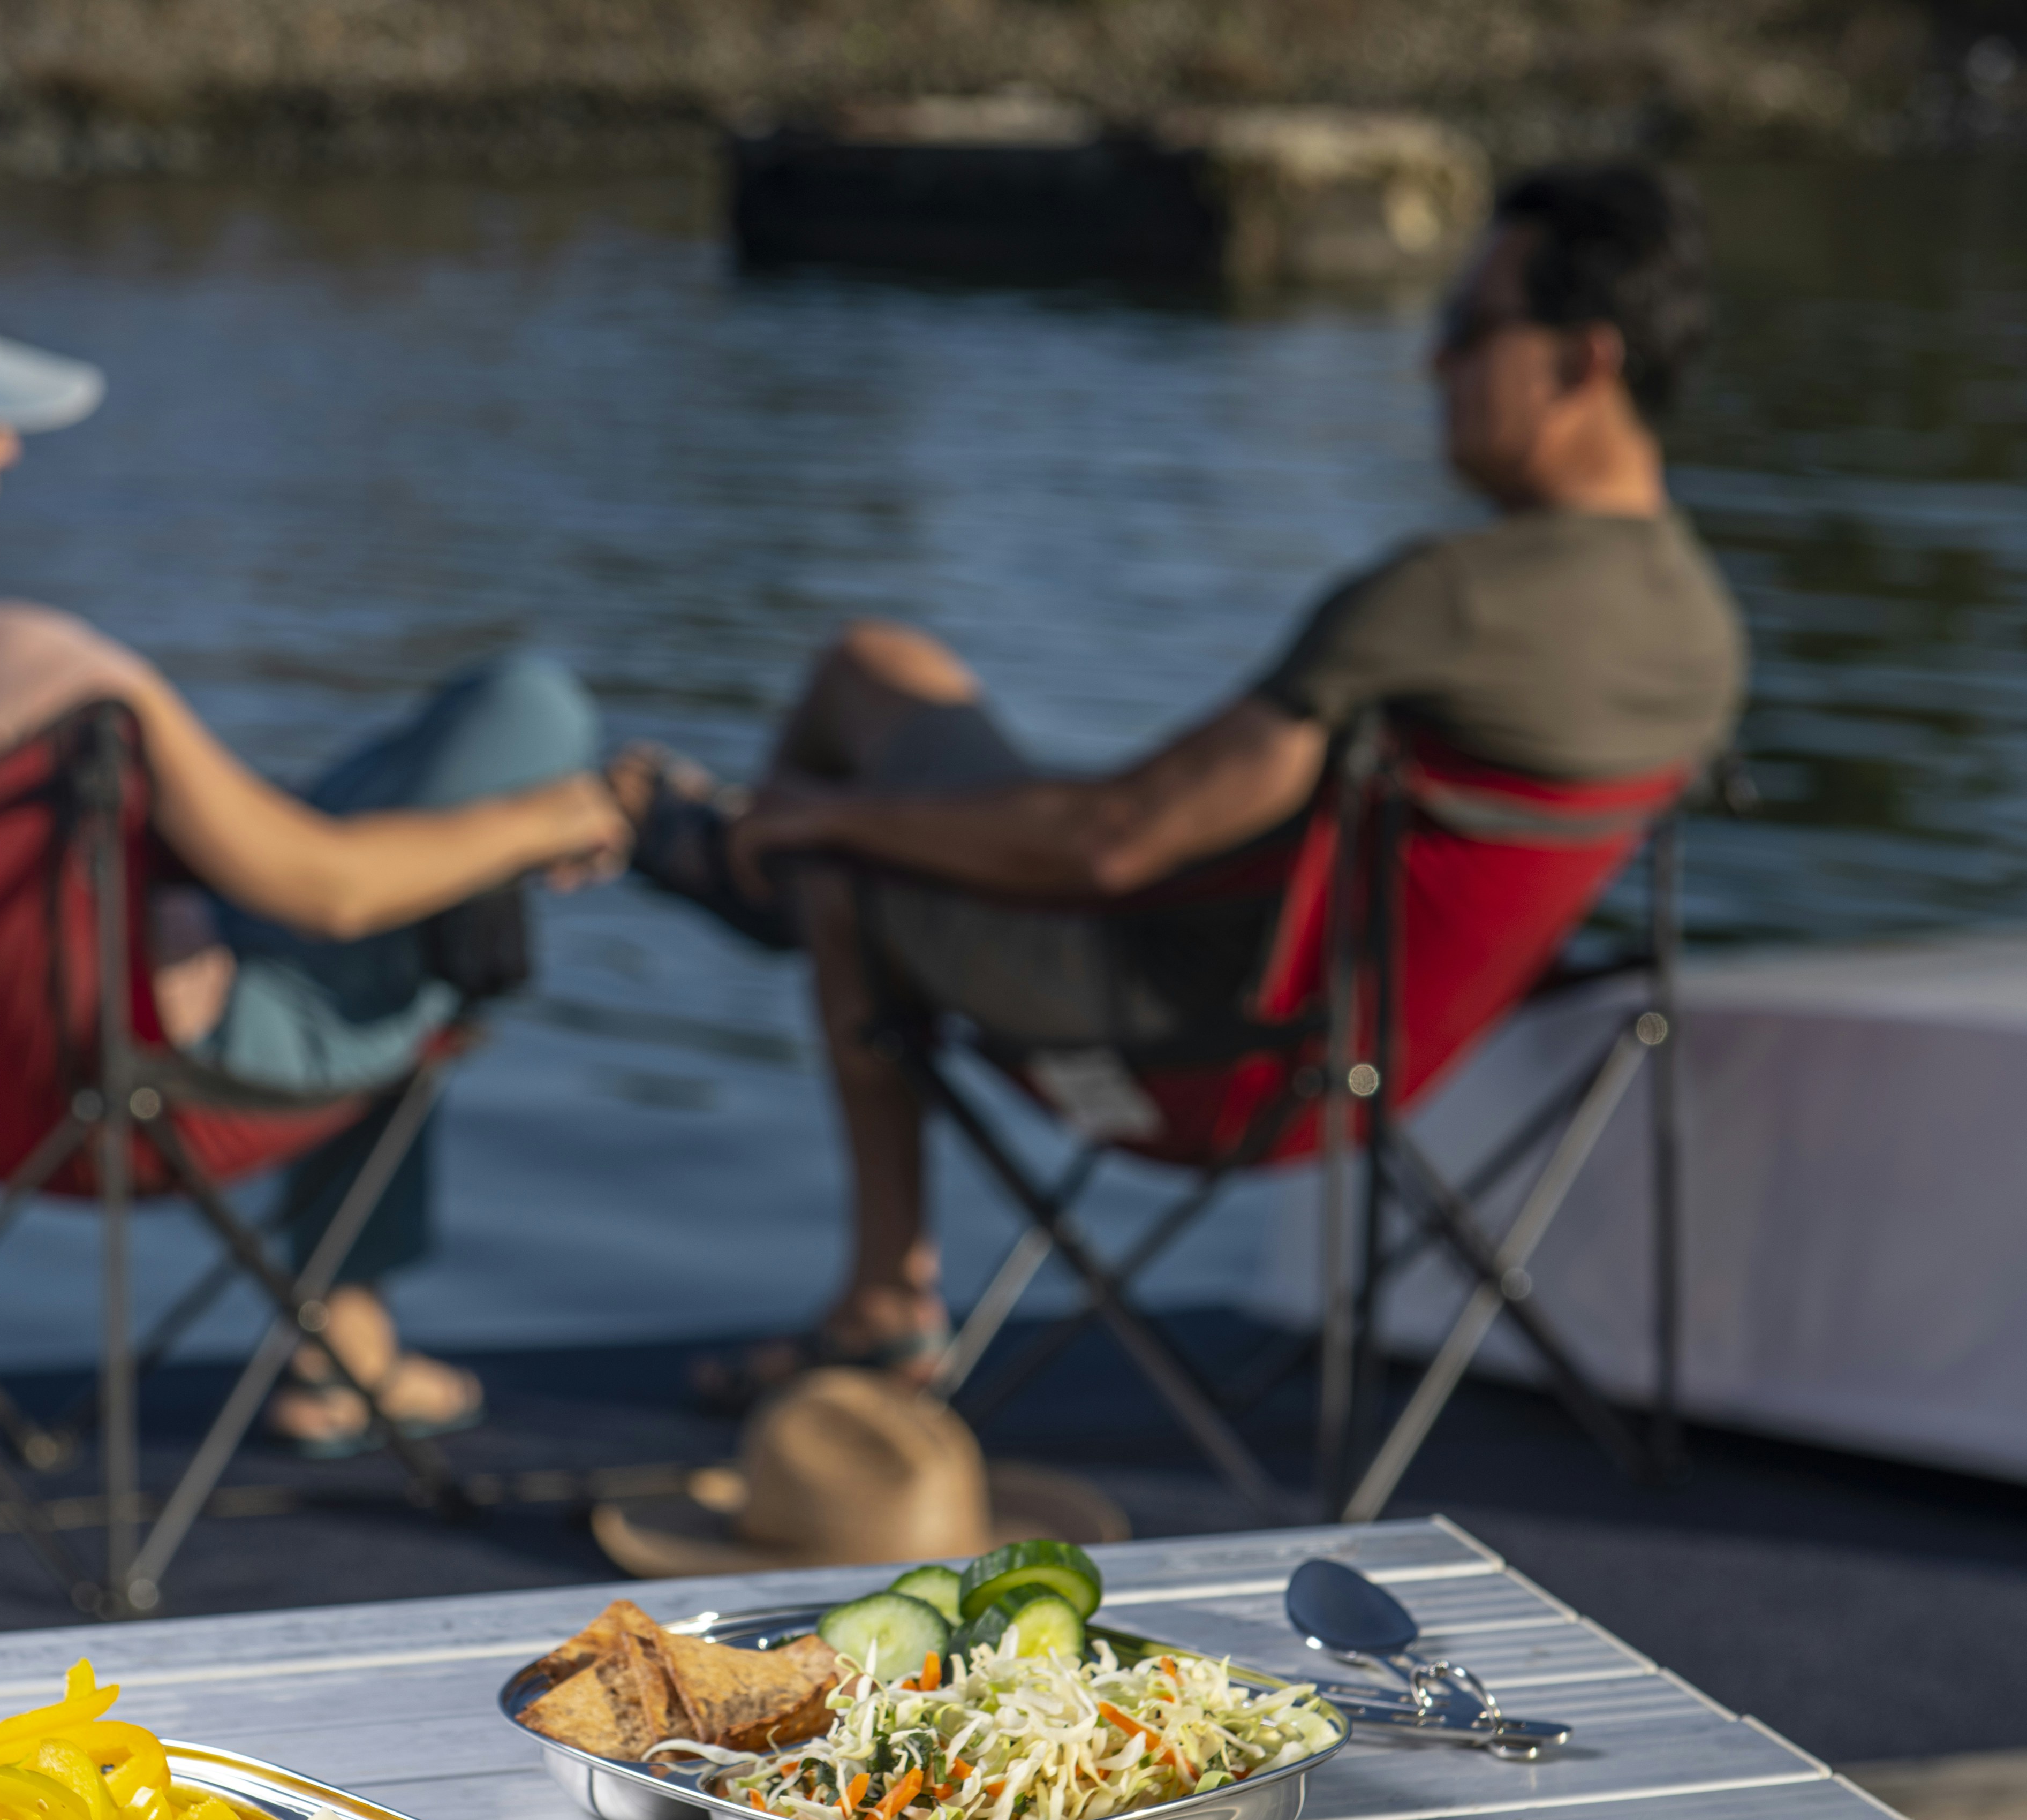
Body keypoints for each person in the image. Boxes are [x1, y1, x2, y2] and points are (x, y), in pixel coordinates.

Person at [636, 162, 1749, 1405]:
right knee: (875, 674)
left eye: (1465, 328)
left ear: (1581, 363)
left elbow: (1118, 843)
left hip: (1190, 1054)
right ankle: (759, 858)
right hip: (1366, 1072)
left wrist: (834, 819)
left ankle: (875, 1283)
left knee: (846, 844)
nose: (1432, 366)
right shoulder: (1702, 633)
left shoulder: (1447, 599)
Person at [0, 234, 636, 1453]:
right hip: (146, 1097)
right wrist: (562, 816)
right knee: (524, 715)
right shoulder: (41, 680)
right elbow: (330, 891)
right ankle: (345, 1332)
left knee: (397, 797)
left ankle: (347, 1339)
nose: (5, 449)